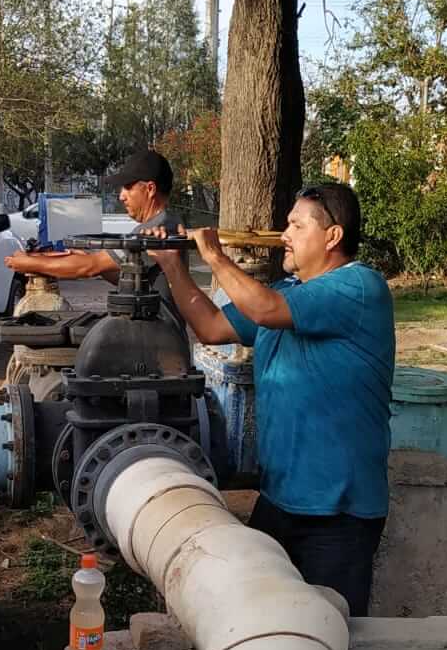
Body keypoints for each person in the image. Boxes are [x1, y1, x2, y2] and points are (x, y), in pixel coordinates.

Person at [148, 182, 394, 615]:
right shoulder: (290, 293)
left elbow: (264, 310)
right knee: (261, 619)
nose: (284, 234)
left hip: (338, 513)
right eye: (285, 225)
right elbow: (210, 327)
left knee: (330, 631)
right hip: (280, 501)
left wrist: (215, 256)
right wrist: (173, 265)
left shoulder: (358, 287)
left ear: (332, 237)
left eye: (297, 226)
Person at [4, 149, 187, 330]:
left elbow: (88, 267)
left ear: (150, 189)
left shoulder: (157, 228)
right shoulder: (165, 222)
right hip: (159, 335)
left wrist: (29, 263)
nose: (121, 196)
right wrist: (94, 263)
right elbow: (134, 280)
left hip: (158, 340)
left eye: (128, 187)